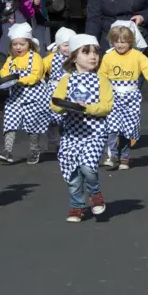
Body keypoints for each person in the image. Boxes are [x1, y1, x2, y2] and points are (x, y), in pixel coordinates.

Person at [50, 34, 113, 223]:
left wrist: (87, 108)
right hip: (71, 133)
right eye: (86, 52)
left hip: (95, 132)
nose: (93, 56)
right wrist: (68, 105)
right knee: (72, 173)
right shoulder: (65, 80)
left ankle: (95, 194)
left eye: (95, 52)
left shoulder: (102, 80)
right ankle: (77, 206)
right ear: (74, 57)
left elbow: (106, 106)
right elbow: (55, 104)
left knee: (88, 167)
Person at [100, 22, 148, 169]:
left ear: (131, 42)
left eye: (124, 42)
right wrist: (99, 90)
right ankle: (112, 155)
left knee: (127, 129)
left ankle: (124, 157)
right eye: (117, 41)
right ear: (112, 41)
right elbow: (101, 75)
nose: (120, 45)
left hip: (131, 96)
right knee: (112, 127)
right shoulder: (108, 57)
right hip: (113, 95)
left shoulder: (137, 56)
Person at [0, 23, 48, 165]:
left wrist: (20, 81)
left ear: (29, 43)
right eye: (15, 44)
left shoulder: (35, 57)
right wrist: (7, 78)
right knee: (10, 122)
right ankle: (7, 150)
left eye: (21, 44)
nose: (18, 47)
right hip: (15, 97)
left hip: (33, 97)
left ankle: (34, 150)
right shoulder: (11, 59)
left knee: (32, 125)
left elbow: (36, 75)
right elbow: (4, 71)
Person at [44, 28, 77, 151]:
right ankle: (53, 141)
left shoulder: (76, 58)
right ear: (58, 45)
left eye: (71, 45)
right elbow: (41, 69)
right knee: (52, 118)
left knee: (68, 118)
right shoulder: (51, 58)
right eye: (65, 45)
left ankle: (67, 141)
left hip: (71, 90)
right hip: (54, 90)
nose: (68, 49)